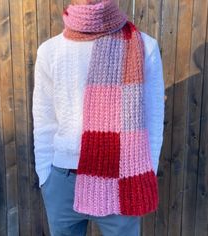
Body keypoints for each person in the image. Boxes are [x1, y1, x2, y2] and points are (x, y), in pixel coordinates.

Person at [32, 0, 165, 235]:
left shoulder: (145, 46)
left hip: (122, 179)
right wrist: (46, 177)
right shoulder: (50, 51)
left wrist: (144, 172)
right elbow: (44, 121)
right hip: (63, 183)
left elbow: (153, 121)